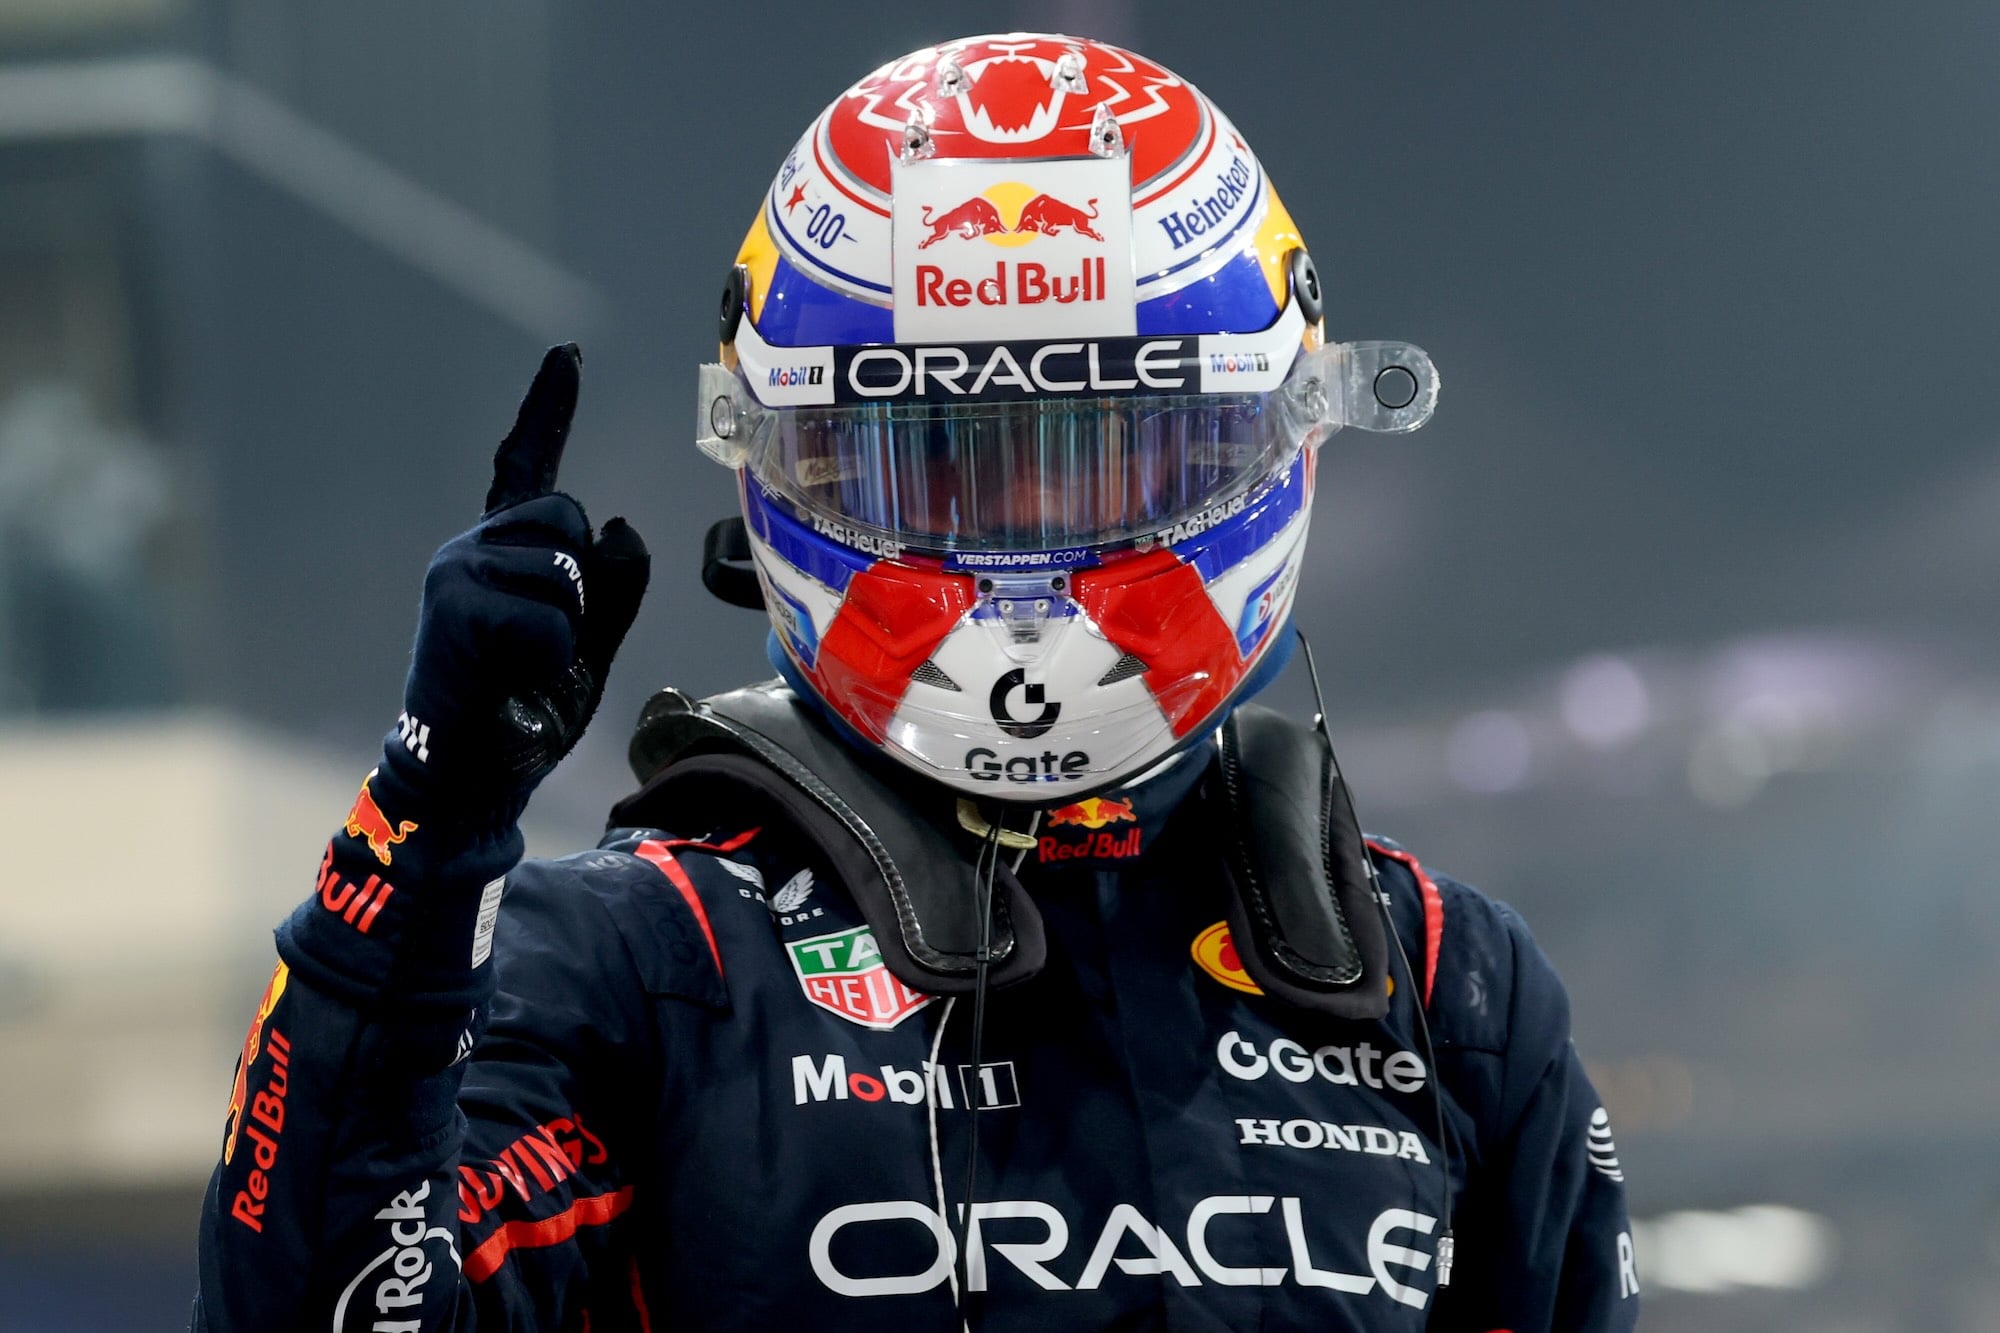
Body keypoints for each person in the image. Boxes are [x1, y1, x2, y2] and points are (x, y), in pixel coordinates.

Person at [193, 33, 1638, 1332]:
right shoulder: (644, 962)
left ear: (1283, 431)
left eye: (1112, 456)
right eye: (941, 464)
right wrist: (425, 839)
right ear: (771, 463)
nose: (1030, 550)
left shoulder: (1447, 984)